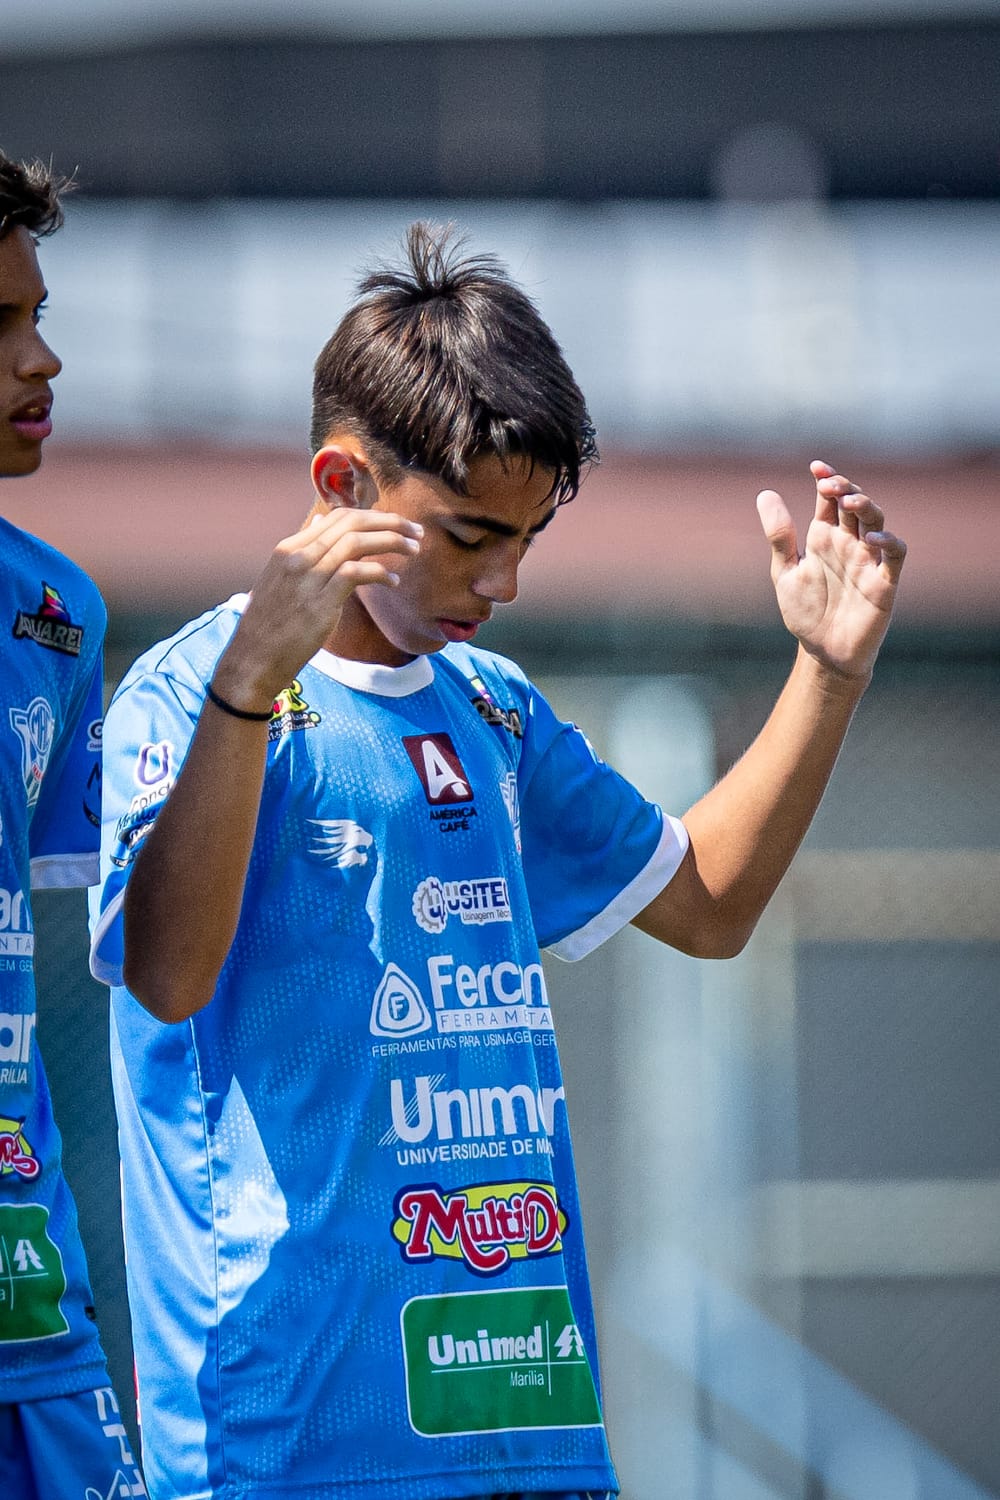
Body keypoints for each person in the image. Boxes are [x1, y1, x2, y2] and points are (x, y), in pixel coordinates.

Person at [90, 223, 906, 1500]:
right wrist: (252, 685)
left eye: (526, 539)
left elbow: (707, 904)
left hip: (523, 1419)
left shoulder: (495, 708)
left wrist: (828, 670)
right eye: (471, 537)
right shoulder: (196, 690)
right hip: (290, 1446)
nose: (507, 580)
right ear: (342, 481)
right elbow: (167, 977)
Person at [0, 150, 145, 1499]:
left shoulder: (57, 616)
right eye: (0, 325)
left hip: (28, 1286)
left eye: (38, 317)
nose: (44, 361)